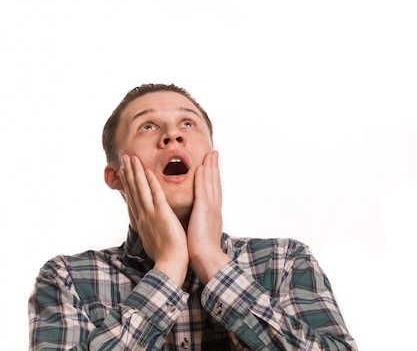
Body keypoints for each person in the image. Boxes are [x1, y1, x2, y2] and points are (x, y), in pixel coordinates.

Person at [29, 83, 358, 350]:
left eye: (187, 123)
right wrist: (169, 266)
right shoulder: (67, 278)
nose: (173, 135)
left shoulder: (283, 260)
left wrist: (210, 258)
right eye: (147, 126)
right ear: (116, 176)